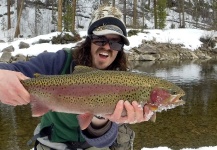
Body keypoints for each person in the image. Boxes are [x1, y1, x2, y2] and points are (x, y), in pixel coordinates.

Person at [0, 6, 153, 150]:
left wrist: (100, 116)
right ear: (89, 40)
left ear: (120, 49)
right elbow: (13, 70)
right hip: (54, 142)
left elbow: (103, 140)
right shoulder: (57, 62)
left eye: (115, 43)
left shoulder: (125, 81)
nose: (107, 47)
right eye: (100, 39)